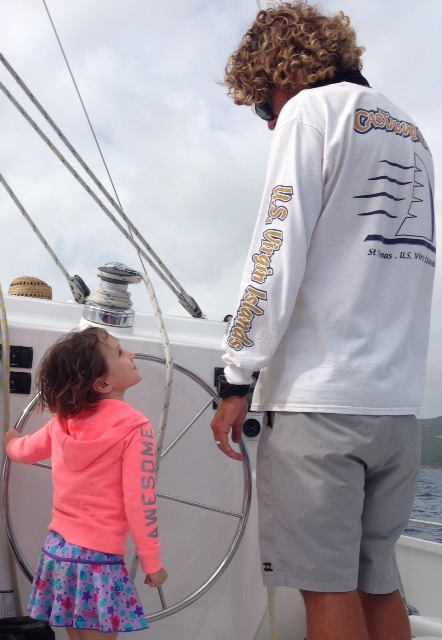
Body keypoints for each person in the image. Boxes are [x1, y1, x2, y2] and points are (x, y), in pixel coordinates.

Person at [210, 3, 435, 639]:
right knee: (379, 584)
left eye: (264, 104)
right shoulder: (411, 133)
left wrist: (236, 377)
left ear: (283, 73)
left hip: (320, 406)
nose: (269, 120)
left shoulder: (310, 113)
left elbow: (273, 254)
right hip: (396, 412)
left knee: (327, 591)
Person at [3, 327, 167, 639]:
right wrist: (152, 562)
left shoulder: (63, 422)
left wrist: (11, 441)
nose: (131, 354)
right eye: (120, 353)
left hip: (59, 553)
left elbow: (23, 452)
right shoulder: (135, 428)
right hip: (99, 561)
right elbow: (140, 501)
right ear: (103, 384)